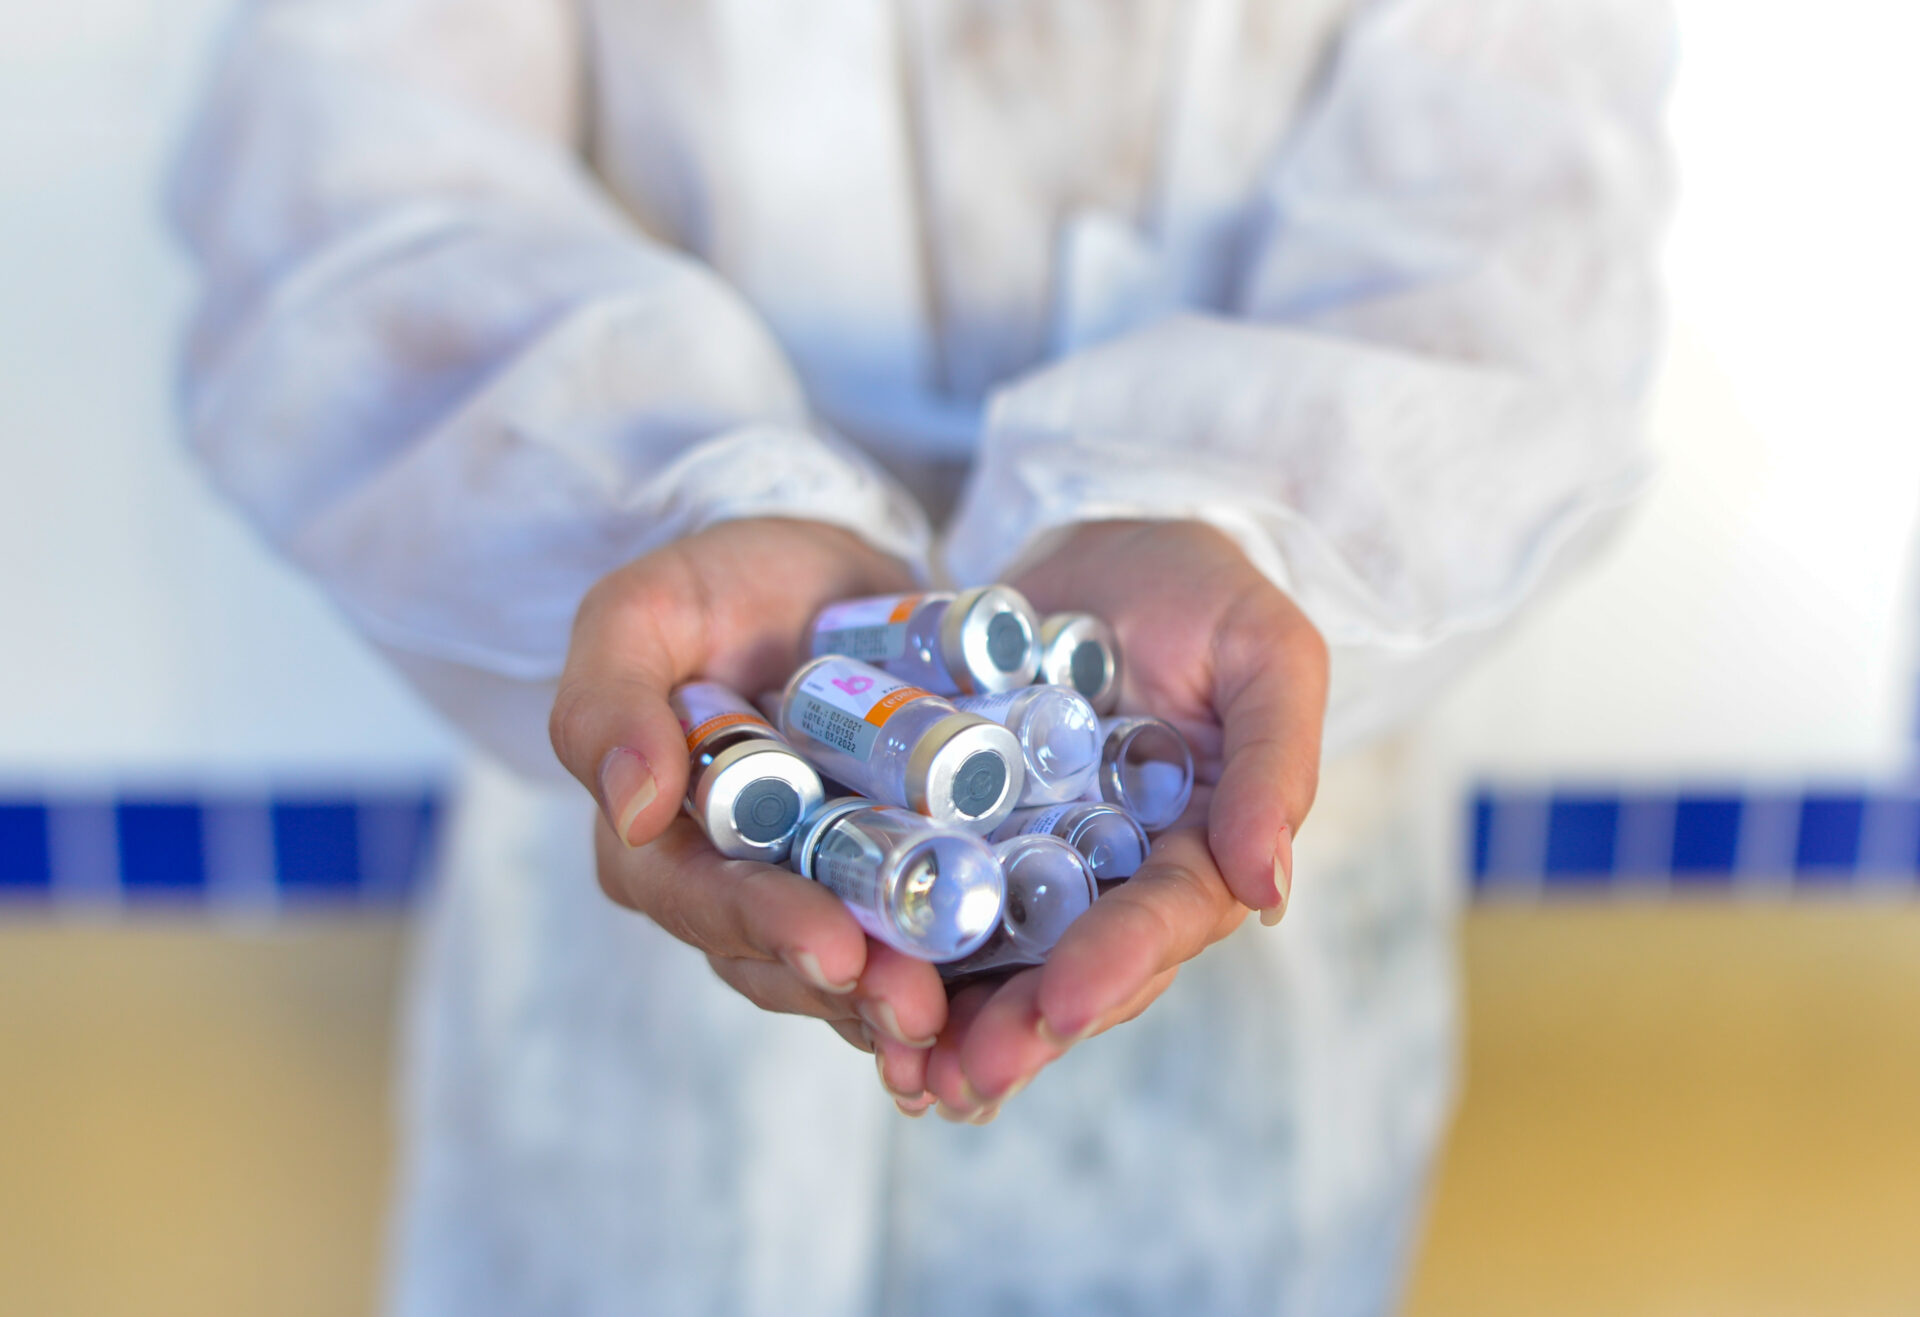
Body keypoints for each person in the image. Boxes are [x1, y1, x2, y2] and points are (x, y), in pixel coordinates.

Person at [169, 0, 1672, 1311]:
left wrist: (1225, 510)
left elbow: (1518, 225)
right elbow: (346, 178)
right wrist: (688, 494)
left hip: (1248, 882)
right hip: (639, 908)